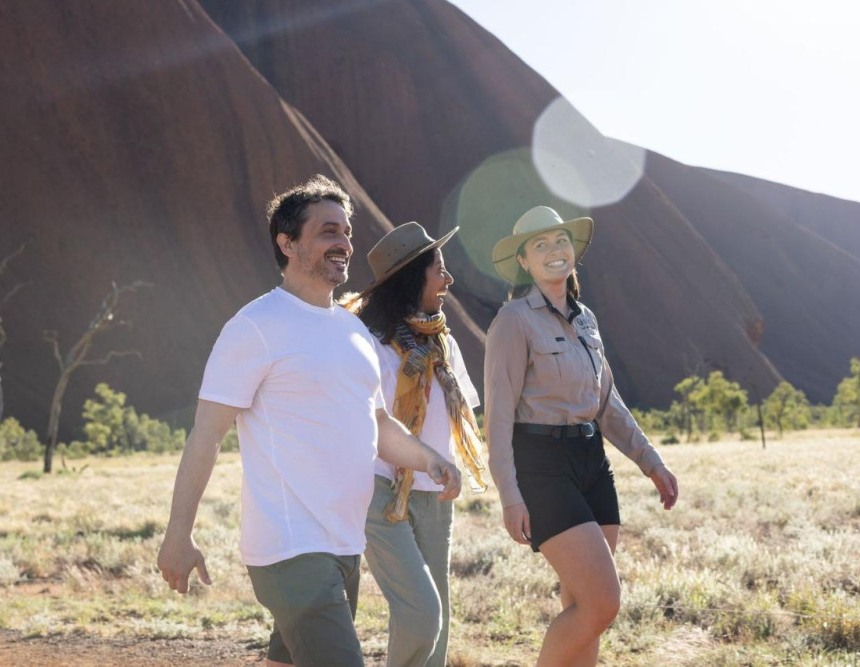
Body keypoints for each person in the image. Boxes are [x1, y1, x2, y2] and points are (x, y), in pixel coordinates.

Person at [156, 175, 462, 667]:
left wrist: (430, 460)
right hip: (291, 549)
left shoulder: (352, 331)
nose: (343, 243)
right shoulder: (255, 326)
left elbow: (378, 423)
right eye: (327, 231)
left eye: (346, 232)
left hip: (343, 544)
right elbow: (206, 435)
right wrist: (178, 534)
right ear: (288, 243)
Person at [484, 206, 679, 667]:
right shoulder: (513, 320)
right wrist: (510, 496)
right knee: (602, 602)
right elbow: (498, 416)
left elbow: (607, 403)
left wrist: (651, 462)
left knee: (583, 607)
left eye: (561, 241)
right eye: (540, 245)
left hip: (592, 461)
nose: (554, 250)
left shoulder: (586, 319)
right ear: (524, 262)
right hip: (542, 465)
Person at [340, 222, 487, 667]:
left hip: (433, 494)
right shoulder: (364, 342)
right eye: (439, 269)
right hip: (380, 490)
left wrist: (446, 464)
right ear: (411, 277)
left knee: (433, 627)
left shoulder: (442, 342)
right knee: (423, 615)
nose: (448, 279)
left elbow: (459, 412)